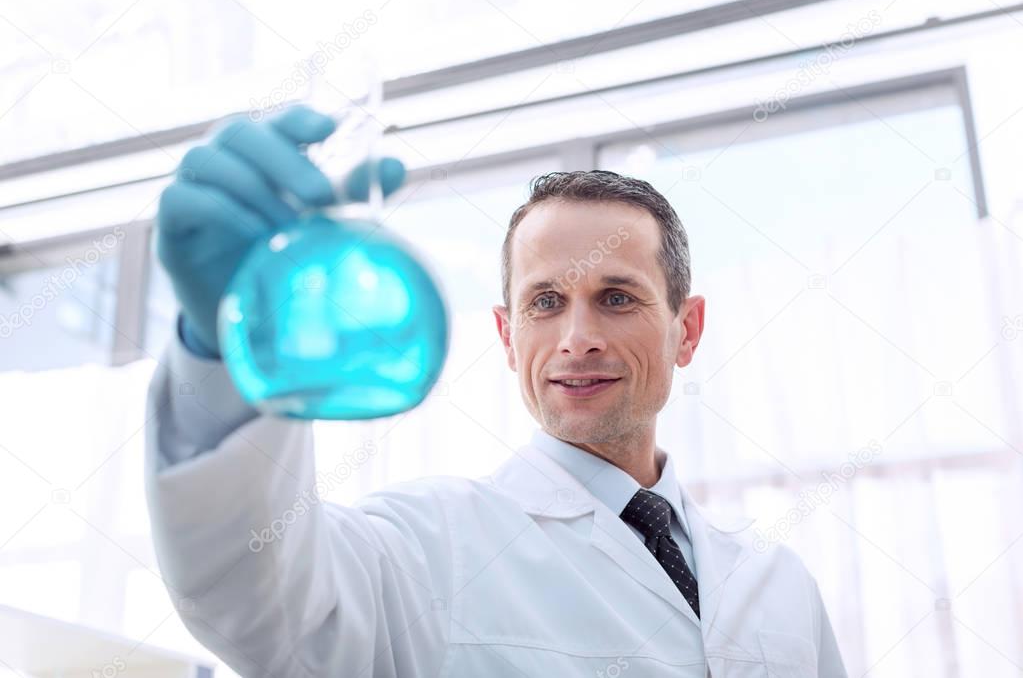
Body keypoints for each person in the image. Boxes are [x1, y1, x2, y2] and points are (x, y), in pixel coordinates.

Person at [145, 105, 847, 677]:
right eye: (544, 302)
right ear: (507, 337)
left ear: (685, 329)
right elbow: (258, 603)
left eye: (615, 297)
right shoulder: (427, 547)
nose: (576, 337)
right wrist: (219, 356)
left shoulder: (778, 583)